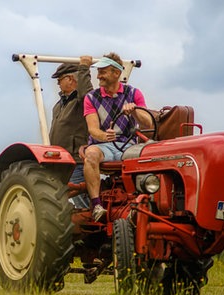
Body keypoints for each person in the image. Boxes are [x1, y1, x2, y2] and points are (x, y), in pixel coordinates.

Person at [83, 52, 152, 221]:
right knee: (90, 155)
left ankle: (143, 201)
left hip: (128, 146)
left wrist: (135, 110)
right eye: (98, 72)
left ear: (116, 73)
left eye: (102, 72)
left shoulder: (134, 93)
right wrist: (105, 135)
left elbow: (148, 123)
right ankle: (97, 205)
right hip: (102, 145)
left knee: (149, 155)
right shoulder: (91, 97)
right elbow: (93, 129)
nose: (98, 76)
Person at [49, 56, 93, 209]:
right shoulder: (58, 105)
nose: (58, 83)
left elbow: (88, 94)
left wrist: (84, 69)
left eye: (59, 79)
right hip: (61, 162)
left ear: (70, 79)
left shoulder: (83, 101)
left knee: (84, 203)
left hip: (76, 161)